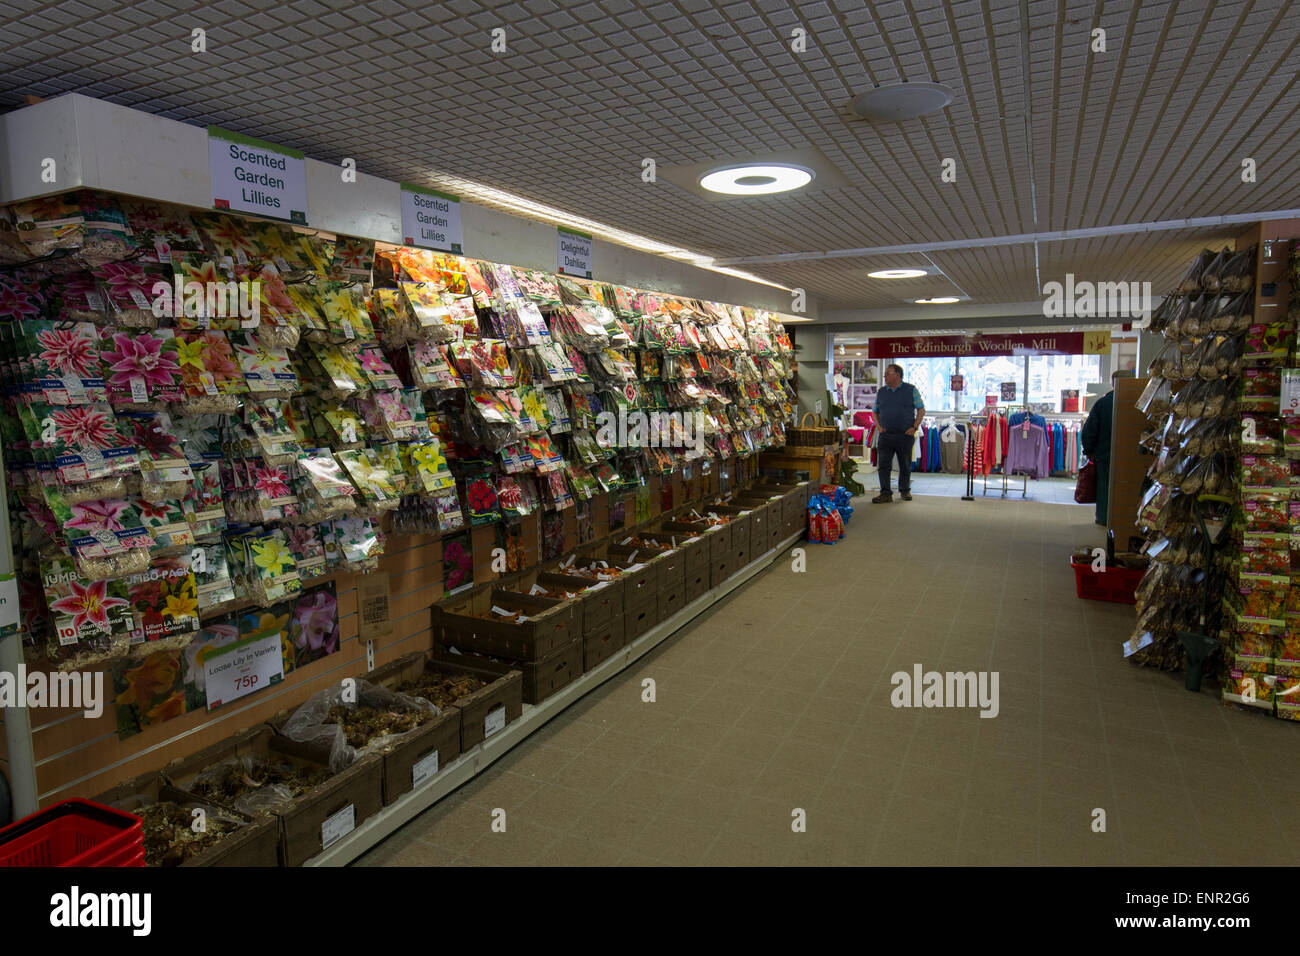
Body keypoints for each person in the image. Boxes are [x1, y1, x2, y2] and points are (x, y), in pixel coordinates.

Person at [872, 363, 925, 502]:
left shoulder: (911, 390)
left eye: (887, 374)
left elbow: (921, 409)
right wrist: (878, 426)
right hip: (886, 435)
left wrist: (914, 427)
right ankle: (885, 493)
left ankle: (905, 490)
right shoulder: (881, 392)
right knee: (883, 465)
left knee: (905, 464)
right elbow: (875, 411)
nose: (884, 377)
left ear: (897, 375)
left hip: (904, 435)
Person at [1081, 383, 1115, 526]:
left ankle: (1103, 517)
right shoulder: (1137, 402)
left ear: (1113, 383)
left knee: (1104, 487)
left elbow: (1090, 430)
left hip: (1104, 455)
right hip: (1130, 456)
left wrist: (1088, 450)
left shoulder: (1103, 403)